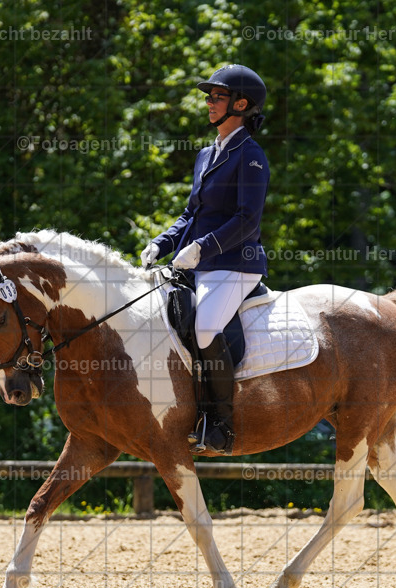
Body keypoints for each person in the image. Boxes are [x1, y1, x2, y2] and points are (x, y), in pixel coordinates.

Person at [141, 64, 270, 456]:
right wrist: (161, 243)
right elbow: (190, 214)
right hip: (201, 263)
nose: (210, 103)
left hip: (236, 264)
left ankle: (220, 425)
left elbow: (247, 220)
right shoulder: (205, 154)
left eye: (218, 96)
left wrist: (203, 247)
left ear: (241, 104)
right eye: (210, 96)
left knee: (205, 328)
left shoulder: (251, 156)